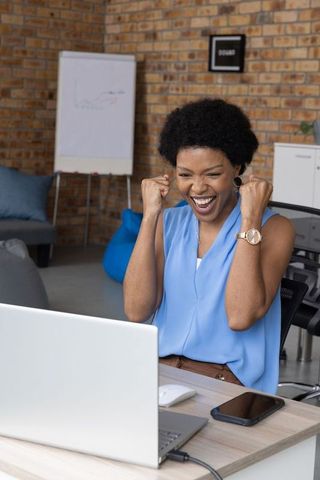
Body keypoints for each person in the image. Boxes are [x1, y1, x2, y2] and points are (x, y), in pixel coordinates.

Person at [123, 98, 295, 393]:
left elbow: (241, 317)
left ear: (237, 167)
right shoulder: (170, 222)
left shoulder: (274, 228)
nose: (198, 188)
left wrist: (250, 219)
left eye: (213, 174)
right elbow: (136, 310)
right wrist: (151, 216)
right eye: (185, 175)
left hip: (225, 379)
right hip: (160, 370)